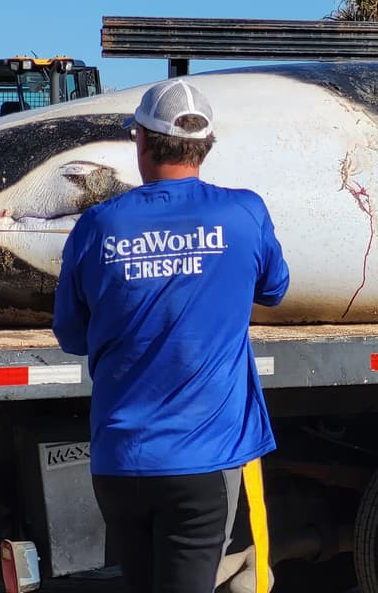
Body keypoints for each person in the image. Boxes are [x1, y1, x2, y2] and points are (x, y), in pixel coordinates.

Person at [53, 80, 290, 593]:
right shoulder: (243, 213)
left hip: (120, 460)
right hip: (204, 460)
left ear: (141, 140)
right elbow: (275, 288)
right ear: (205, 145)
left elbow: (71, 335)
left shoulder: (98, 226)